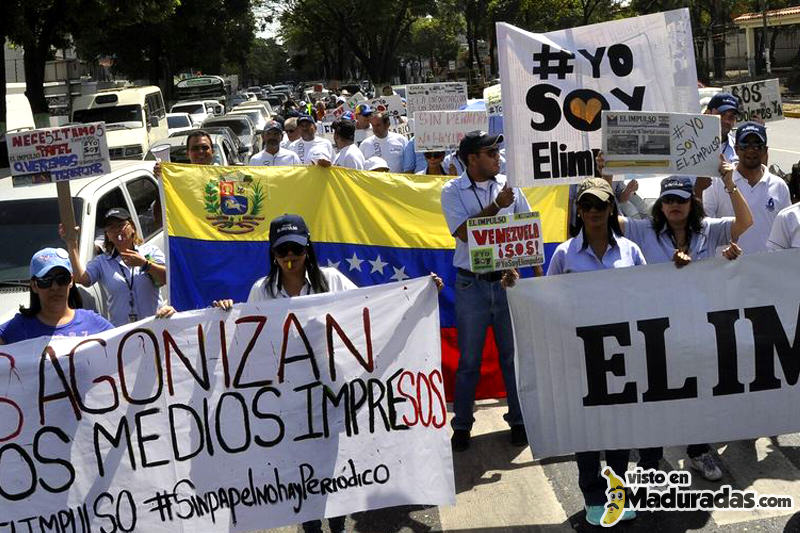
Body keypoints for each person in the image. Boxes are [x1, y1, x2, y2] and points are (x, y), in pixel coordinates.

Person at [212, 214, 441, 533]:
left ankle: (336, 521)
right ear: (273, 255)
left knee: (332, 458)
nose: (290, 258)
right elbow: (244, 336)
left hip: (332, 390)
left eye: (296, 249)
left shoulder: (332, 280)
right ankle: (310, 524)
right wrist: (225, 311)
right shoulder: (261, 291)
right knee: (299, 460)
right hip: (289, 397)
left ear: (308, 249)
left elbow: (369, 309)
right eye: (282, 252)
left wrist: (417, 293)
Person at [618, 171, 752, 482]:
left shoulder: (708, 229)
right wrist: (604, 177)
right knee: (656, 391)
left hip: (698, 326)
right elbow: (609, 221)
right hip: (655, 329)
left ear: (691, 203)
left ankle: (698, 450)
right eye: (668, 200)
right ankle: (650, 461)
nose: (674, 205)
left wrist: (729, 183)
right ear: (660, 205)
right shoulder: (644, 230)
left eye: (680, 200)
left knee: (700, 390)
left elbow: (745, 223)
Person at [546, 178, 645, 526]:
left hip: (620, 354)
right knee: (586, 428)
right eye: (586, 206)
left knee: (619, 427)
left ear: (610, 209)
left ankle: (618, 492)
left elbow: (648, 295)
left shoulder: (631, 251)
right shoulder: (563, 254)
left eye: (600, 205)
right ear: (578, 211)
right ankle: (592, 496)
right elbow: (548, 301)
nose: (593, 212)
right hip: (579, 355)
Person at [440, 131, 535, 452]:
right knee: (469, 360)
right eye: (489, 152)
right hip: (472, 284)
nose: (497, 156)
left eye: (497, 151)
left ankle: (520, 420)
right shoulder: (452, 191)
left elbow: (528, 229)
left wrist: (531, 273)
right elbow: (465, 232)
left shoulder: (510, 186)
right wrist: (497, 206)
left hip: (507, 282)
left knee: (512, 357)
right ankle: (463, 425)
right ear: (472, 159)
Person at [61, 207, 173, 327]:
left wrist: (145, 264)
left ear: (132, 228)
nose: (117, 231)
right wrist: (72, 244)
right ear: (107, 235)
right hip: (123, 332)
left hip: (155, 325)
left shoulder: (149, 252)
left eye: (121, 225)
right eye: (112, 228)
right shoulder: (102, 262)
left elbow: (168, 278)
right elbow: (82, 279)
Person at [703, 122, 790, 254]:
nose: (751, 150)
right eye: (745, 145)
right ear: (737, 149)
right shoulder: (717, 182)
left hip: (767, 269)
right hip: (727, 268)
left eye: (757, 145)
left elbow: (787, 230)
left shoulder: (779, 186)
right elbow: (705, 226)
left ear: (765, 150)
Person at [0, 248, 114, 344]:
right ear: (34, 285)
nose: (55, 287)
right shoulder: (18, 327)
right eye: (46, 280)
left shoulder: (93, 322)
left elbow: (123, 347)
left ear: (71, 281)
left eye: (62, 279)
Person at [695, 92, 741, 198]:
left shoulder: (739, 150)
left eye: (731, 117)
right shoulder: (690, 146)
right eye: (721, 115)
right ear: (707, 113)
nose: (726, 121)